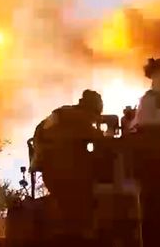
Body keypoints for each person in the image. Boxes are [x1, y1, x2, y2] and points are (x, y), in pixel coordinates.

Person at [31, 89, 105, 233]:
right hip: (69, 176)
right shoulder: (80, 119)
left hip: (50, 173)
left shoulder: (61, 114)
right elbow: (97, 138)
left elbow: (39, 134)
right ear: (92, 109)